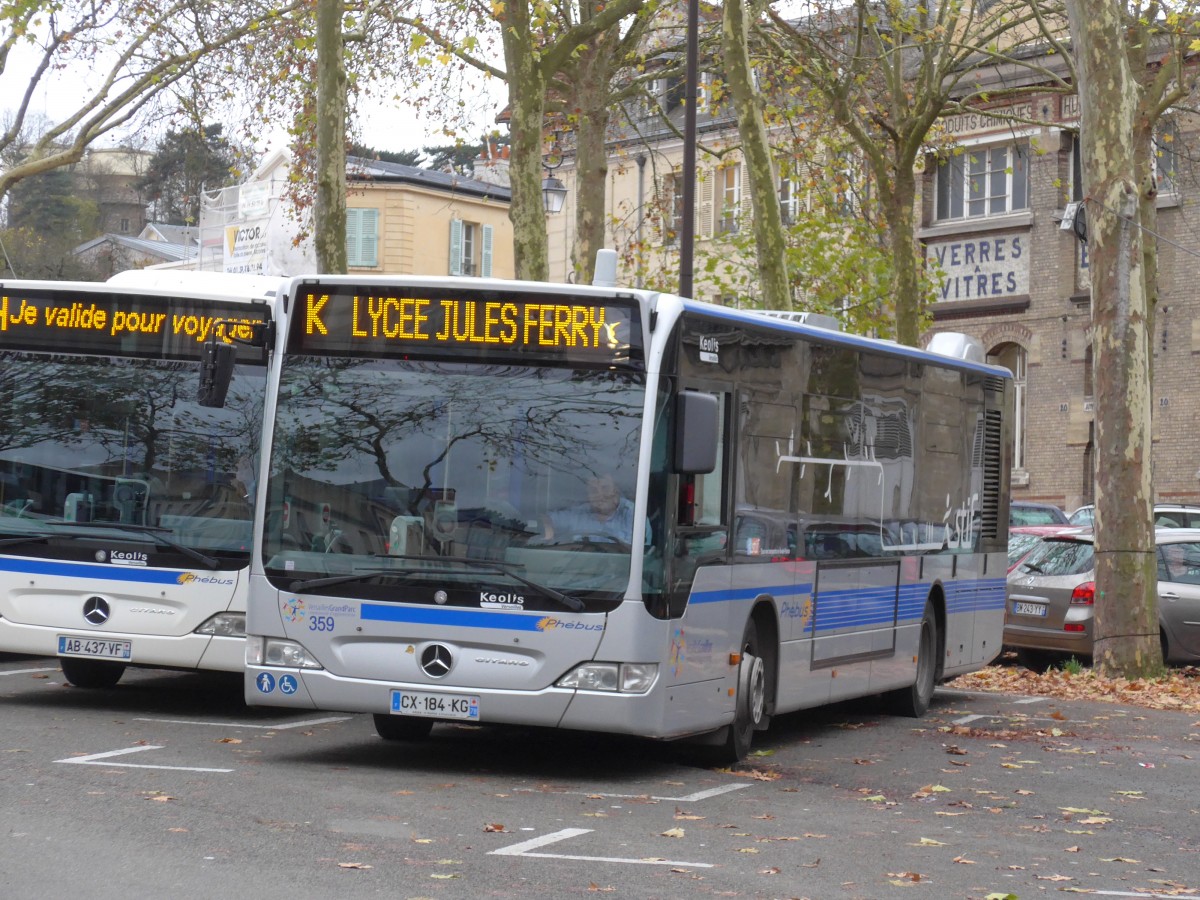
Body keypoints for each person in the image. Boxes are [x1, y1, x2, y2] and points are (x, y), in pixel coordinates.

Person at [545, 474, 640, 545]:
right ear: (588, 495)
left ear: (615, 491)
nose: (600, 495)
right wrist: (548, 535)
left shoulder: (633, 514)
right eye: (593, 490)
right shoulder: (579, 513)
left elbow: (639, 555)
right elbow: (546, 518)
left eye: (605, 488)